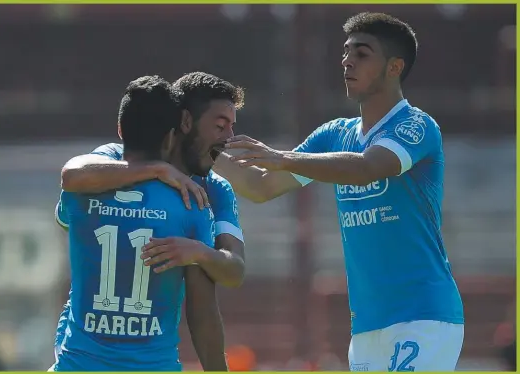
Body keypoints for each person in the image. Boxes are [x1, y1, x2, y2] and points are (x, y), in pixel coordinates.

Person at [215, 12, 464, 372]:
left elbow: (366, 168)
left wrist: (282, 157)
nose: (347, 60)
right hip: (365, 328)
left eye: (362, 53)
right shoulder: (334, 134)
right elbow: (261, 186)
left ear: (395, 66)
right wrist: (201, 154)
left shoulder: (417, 126)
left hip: (423, 317)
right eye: (346, 52)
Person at [51, 76, 227, 371]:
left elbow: (68, 212)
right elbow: (202, 311)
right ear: (172, 137)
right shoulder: (191, 203)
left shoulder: (81, 192)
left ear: (120, 130)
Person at [60, 72, 245, 288]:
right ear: (185, 121)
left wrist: (200, 252)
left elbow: (236, 271)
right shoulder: (115, 159)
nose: (230, 139)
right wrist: (157, 170)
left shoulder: (215, 189)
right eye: (220, 127)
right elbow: (71, 175)